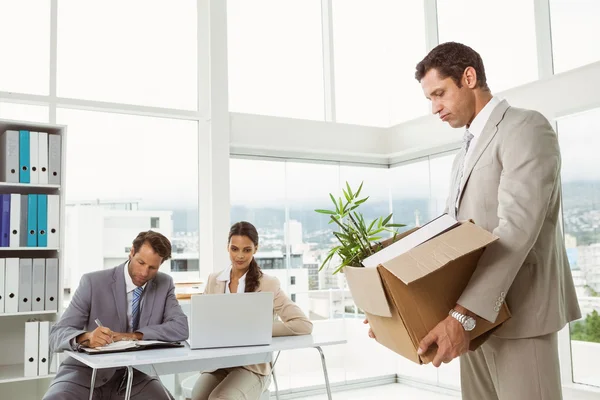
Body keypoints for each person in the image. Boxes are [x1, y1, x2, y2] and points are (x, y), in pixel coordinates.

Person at [367, 42, 581, 399]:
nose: (435, 108)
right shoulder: (465, 151)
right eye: (429, 99)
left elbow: (515, 230)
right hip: (475, 325)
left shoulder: (525, 127)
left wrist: (461, 316)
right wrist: (397, 306)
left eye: (440, 93)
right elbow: (455, 238)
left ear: (469, 77)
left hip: (520, 317)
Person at [44, 230, 189, 400]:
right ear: (132, 252)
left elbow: (180, 328)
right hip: (84, 374)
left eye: (152, 268)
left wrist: (134, 336)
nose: (144, 272)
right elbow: (55, 335)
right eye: (140, 262)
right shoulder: (92, 282)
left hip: (134, 376)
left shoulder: (164, 284)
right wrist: (86, 337)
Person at [192, 221, 313, 400]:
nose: (240, 256)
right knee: (197, 396)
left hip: (252, 367)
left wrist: (257, 331)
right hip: (218, 365)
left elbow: (303, 325)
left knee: (221, 398)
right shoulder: (214, 280)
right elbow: (204, 322)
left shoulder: (268, 284)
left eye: (246, 250)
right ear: (228, 248)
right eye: (234, 249)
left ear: (255, 249)